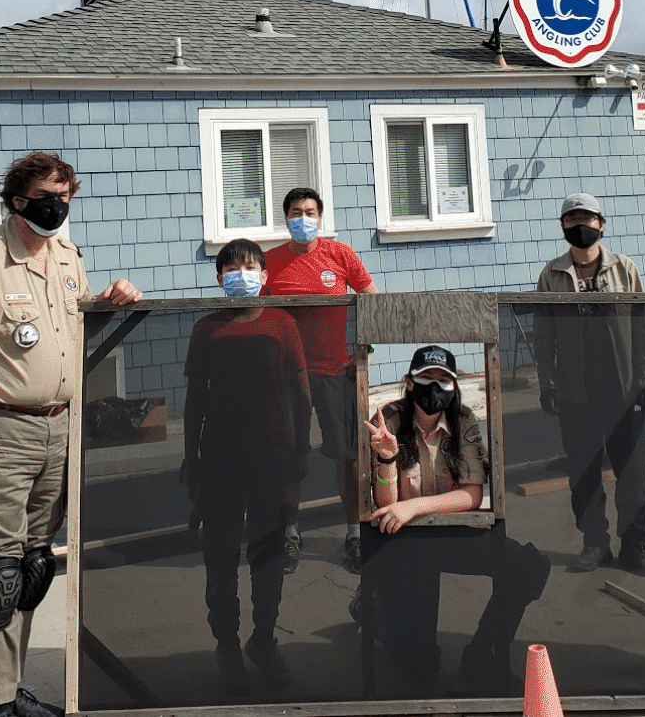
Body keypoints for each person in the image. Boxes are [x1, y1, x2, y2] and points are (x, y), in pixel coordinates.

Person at [0, 150, 141, 717]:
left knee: (35, 564)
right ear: (18, 200)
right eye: (46, 197)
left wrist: (113, 302)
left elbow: (73, 331)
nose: (57, 208)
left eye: (65, 197)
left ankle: (10, 688)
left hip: (59, 427)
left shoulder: (68, 257)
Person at [359, 346, 549, 693]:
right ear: (410, 382)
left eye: (444, 379)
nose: (435, 386)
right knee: (421, 670)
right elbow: (387, 505)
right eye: (427, 377)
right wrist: (387, 458)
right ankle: (374, 612)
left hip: (450, 534)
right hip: (407, 544)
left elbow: (471, 495)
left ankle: (481, 655)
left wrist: (414, 507)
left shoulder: (462, 421)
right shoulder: (390, 421)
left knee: (528, 565)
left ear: (454, 384)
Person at [183, 238, 311, 695]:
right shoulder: (207, 327)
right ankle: (227, 648)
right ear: (219, 276)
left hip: (271, 462)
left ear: (264, 274)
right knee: (219, 563)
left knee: (268, 561)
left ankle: (263, 640)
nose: (243, 272)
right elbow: (195, 400)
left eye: (252, 265)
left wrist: (299, 457)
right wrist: (191, 465)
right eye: (233, 266)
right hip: (218, 462)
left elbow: (301, 394)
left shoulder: (282, 323)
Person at [532, 192, 645, 574]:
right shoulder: (551, 274)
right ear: (563, 227)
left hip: (623, 390)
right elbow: (543, 335)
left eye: (587, 219)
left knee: (633, 474)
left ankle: (635, 546)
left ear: (601, 224)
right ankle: (595, 543)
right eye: (572, 220)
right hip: (575, 392)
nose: (580, 226)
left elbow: (642, 326)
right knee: (584, 474)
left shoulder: (625, 268)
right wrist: (547, 383)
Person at [263, 187, 379, 574]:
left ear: (321, 217)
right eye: (296, 211)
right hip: (288, 376)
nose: (303, 217)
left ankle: (354, 535)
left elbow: (372, 299)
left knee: (347, 457)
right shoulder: (270, 262)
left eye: (310, 211)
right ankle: (290, 534)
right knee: (288, 456)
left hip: (337, 372)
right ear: (287, 218)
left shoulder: (340, 254)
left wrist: (365, 350)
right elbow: (253, 312)